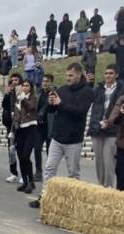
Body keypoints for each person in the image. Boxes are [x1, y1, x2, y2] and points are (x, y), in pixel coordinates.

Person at [30, 63, 93, 208]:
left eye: (71, 75)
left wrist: (60, 103)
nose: (68, 78)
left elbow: (80, 112)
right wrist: (52, 104)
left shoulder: (88, 92)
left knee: (73, 173)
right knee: (49, 168)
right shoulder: (63, 90)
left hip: (74, 139)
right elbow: (53, 111)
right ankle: (45, 196)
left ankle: (73, 202)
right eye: (66, 75)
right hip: (57, 137)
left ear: (79, 74)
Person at [88, 65, 124, 188]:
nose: (107, 75)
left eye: (110, 73)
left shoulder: (122, 89)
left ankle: (108, 187)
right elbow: (89, 98)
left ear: (116, 75)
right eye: (106, 73)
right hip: (97, 128)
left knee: (108, 161)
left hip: (113, 129)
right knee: (99, 161)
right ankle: (100, 185)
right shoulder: (99, 88)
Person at [13, 79, 39, 193]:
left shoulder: (33, 98)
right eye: (23, 85)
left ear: (31, 87)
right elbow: (16, 116)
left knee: (25, 156)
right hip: (20, 130)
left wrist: (23, 98)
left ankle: (31, 182)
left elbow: (30, 108)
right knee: (20, 156)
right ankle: (24, 181)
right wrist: (12, 129)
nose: (24, 87)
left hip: (31, 128)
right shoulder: (19, 99)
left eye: (27, 85)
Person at [35, 74, 56, 181]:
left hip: (50, 126)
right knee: (37, 149)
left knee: (50, 151)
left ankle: (50, 174)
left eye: (47, 81)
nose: (45, 83)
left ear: (51, 82)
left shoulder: (54, 94)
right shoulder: (39, 93)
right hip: (39, 127)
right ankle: (38, 172)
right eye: (43, 81)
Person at [3, 73, 22, 183]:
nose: (14, 82)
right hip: (10, 125)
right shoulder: (10, 93)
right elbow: (4, 106)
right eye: (13, 80)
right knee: (11, 150)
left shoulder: (23, 92)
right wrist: (6, 94)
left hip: (21, 124)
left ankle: (24, 174)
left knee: (21, 151)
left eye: (16, 79)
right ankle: (13, 172)